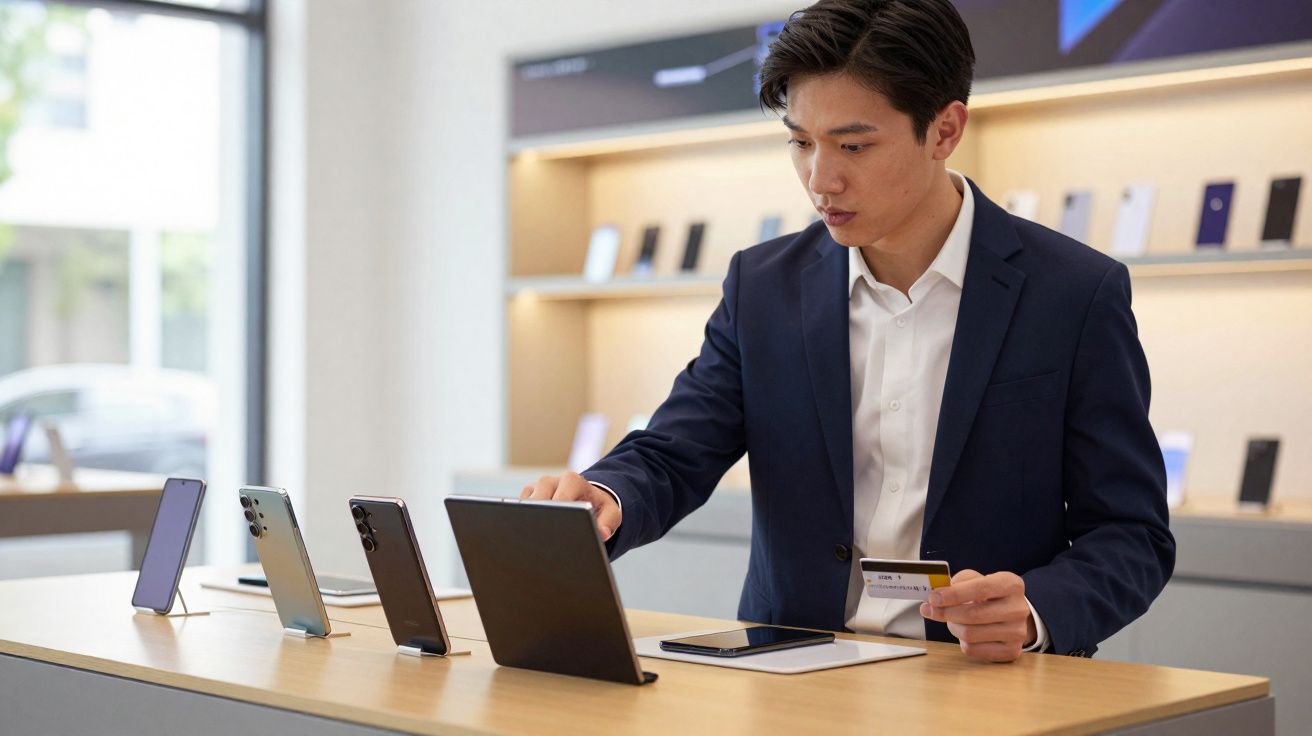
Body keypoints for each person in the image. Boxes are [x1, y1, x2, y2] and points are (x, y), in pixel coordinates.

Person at [521, 0, 1174, 662]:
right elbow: (674, 451)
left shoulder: (1073, 292)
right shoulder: (763, 287)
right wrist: (604, 494)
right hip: (792, 676)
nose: (819, 179)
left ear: (945, 130)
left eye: (854, 145)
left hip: (987, 685)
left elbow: (1131, 531)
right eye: (800, 142)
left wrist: (1036, 609)